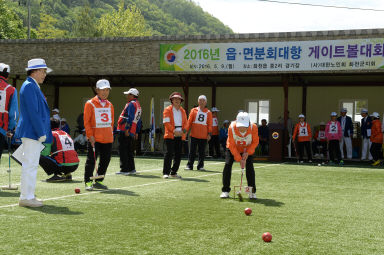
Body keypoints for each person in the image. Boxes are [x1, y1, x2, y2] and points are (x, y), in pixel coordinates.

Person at [15, 58, 53, 207]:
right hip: (32, 131)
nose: (44, 74)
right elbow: (33, 112)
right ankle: (26, 196)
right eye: (43, 71)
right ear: (35, 71)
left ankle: (28, 195)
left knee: (31, 165)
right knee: (30, 165)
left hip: (32, 131)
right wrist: (40, 131)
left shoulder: (31, 85)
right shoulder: (30, 86)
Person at [83, 79, 114, 191]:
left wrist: (111, 134)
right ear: (97, 90)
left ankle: (99, 181)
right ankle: (88, 182)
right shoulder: (89, 104)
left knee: (105, 161)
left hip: (108, 138)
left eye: (107, 90)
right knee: (91, 161)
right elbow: (86, 122)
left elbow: (111, 122)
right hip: (95, 138)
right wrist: (90, 135)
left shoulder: (110, 105)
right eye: (102, 90)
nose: (105, 92)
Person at [220, 112, 259, 199]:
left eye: (244, 126)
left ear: (248, 124)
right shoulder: (232, 127)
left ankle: (251, 192)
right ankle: (225, 190)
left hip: (247, 150)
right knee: (227, 165)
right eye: (240, 126)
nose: (241, 128)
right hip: (233, 149)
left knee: (250, 167)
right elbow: (231, 145)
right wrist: (239, 158)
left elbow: (255, 142)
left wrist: (248, 153)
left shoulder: (254, 127)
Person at [116, 88, 142, 175]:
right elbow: (138, 121)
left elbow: (130, 118)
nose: (127, 96)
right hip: (132, 130)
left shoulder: (131, 104)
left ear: (132, 95)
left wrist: (127, 129)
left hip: (125, 130)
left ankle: (124, 170)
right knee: (129, 150)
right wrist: (136, 132)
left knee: (123, 150)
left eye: (128, 94)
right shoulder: (138, 105)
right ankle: (131, 169)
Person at [162, 92, 187, 179]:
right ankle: (166, 172)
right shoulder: (167, 110)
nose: (177, 100)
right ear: (171, 100)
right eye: (175, 99)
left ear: (181, 101)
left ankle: (174, 172)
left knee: (178, 154)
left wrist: (183, 132)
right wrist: (174, 131)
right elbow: (166, 122)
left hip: (180, 135)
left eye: (178, 99)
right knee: (169, 153)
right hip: (170, 135)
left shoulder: (183, 111)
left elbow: (185, 123)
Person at [185, 95, 212, 171]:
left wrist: (209, 134)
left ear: (206, 102)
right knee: (192, 151)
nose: (201, 102)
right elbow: (189, 122)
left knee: (202, 152)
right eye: (200, 100)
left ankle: (200, 166)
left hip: (203, 136)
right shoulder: (193, 110)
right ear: (198, 101)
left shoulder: (209, 112)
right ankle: (189, 165)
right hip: (194, 134)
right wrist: (186, 131)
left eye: (203, 100)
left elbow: (210, 124)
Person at [0, 63, 18, 160]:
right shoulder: (11, 89)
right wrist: (10, 128)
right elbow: (14, 113)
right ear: (7, 75)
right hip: (1, 128)